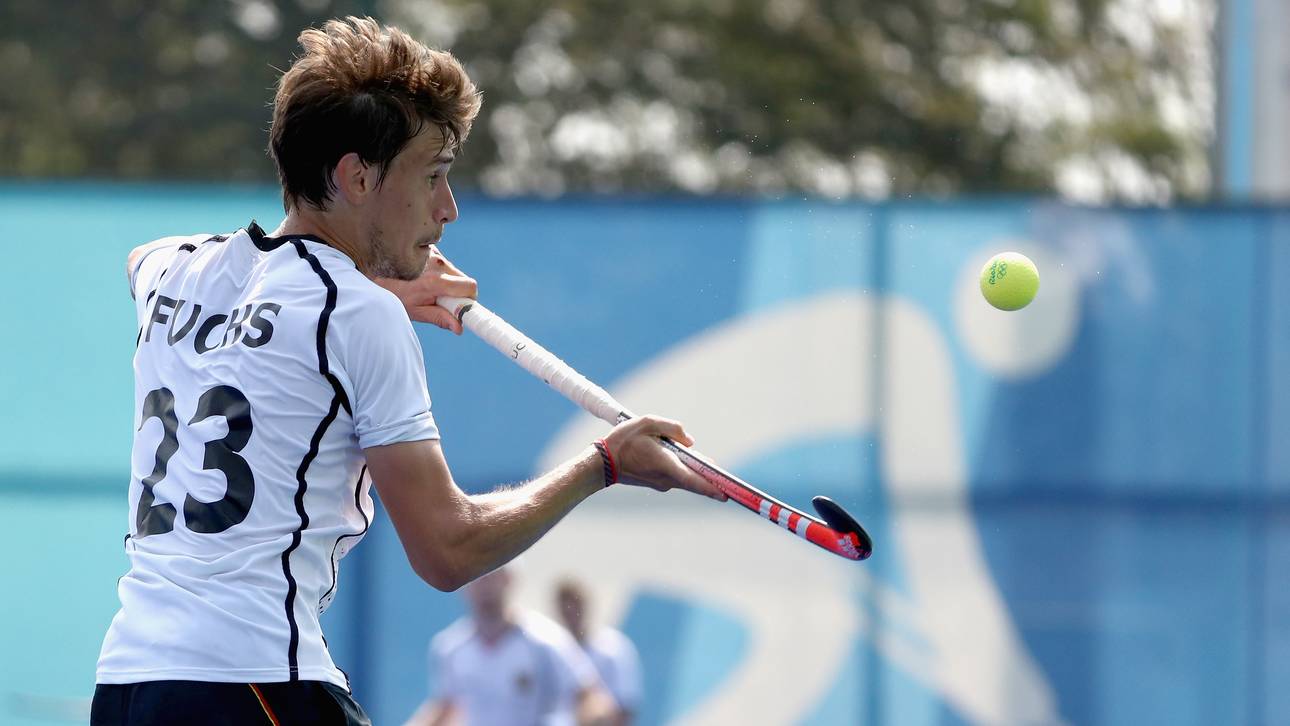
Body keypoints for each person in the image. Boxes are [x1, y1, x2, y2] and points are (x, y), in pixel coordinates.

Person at [92, 16, 724, 726]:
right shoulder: (358, 316)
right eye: (433, 177)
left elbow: (145, 262)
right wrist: (603, 464)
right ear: (356, 176)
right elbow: (448, 550)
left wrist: (382, 285)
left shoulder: (175, 270)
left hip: (125, 689)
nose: (446, 210)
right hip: (255, 684)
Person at [405, 566, 616, 726]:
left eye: (491, 575)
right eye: (476, 578)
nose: (484, 585)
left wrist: (594, 715)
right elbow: (445, 707)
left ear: (509, 580)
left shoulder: (546, 640)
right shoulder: (450, 648)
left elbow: (590, 697)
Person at [555, 579, 643, 726]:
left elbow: (627, 705)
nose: (571, 615)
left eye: (575, 607)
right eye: (566, 610)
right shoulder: (554, 650)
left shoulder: (614, 647)